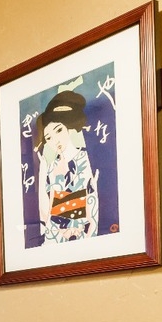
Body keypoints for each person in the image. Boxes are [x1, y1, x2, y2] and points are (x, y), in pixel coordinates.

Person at [33, 88, 99, 243]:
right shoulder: (50, 166)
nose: (55, 140)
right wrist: (43, 171)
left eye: (58, 130)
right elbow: (44, 213)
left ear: (68, 127)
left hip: (83, 237)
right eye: (49, 138)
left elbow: (91, 205)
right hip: (54, 238)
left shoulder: (86, 158)